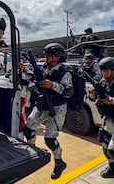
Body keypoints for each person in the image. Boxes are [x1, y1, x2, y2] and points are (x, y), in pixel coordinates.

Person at [23, 43, 73, 180]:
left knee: (50, 139)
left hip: (57, 108)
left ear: (57, 57)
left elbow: (69, 92)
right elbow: (35, 78)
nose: (46, 58)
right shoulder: (45, 68)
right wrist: (25, 70)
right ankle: (31, 152)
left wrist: (52, 85)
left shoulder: (64, 72)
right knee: (28, 129)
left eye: (48, 55)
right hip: (43, 103)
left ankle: (59, 162)